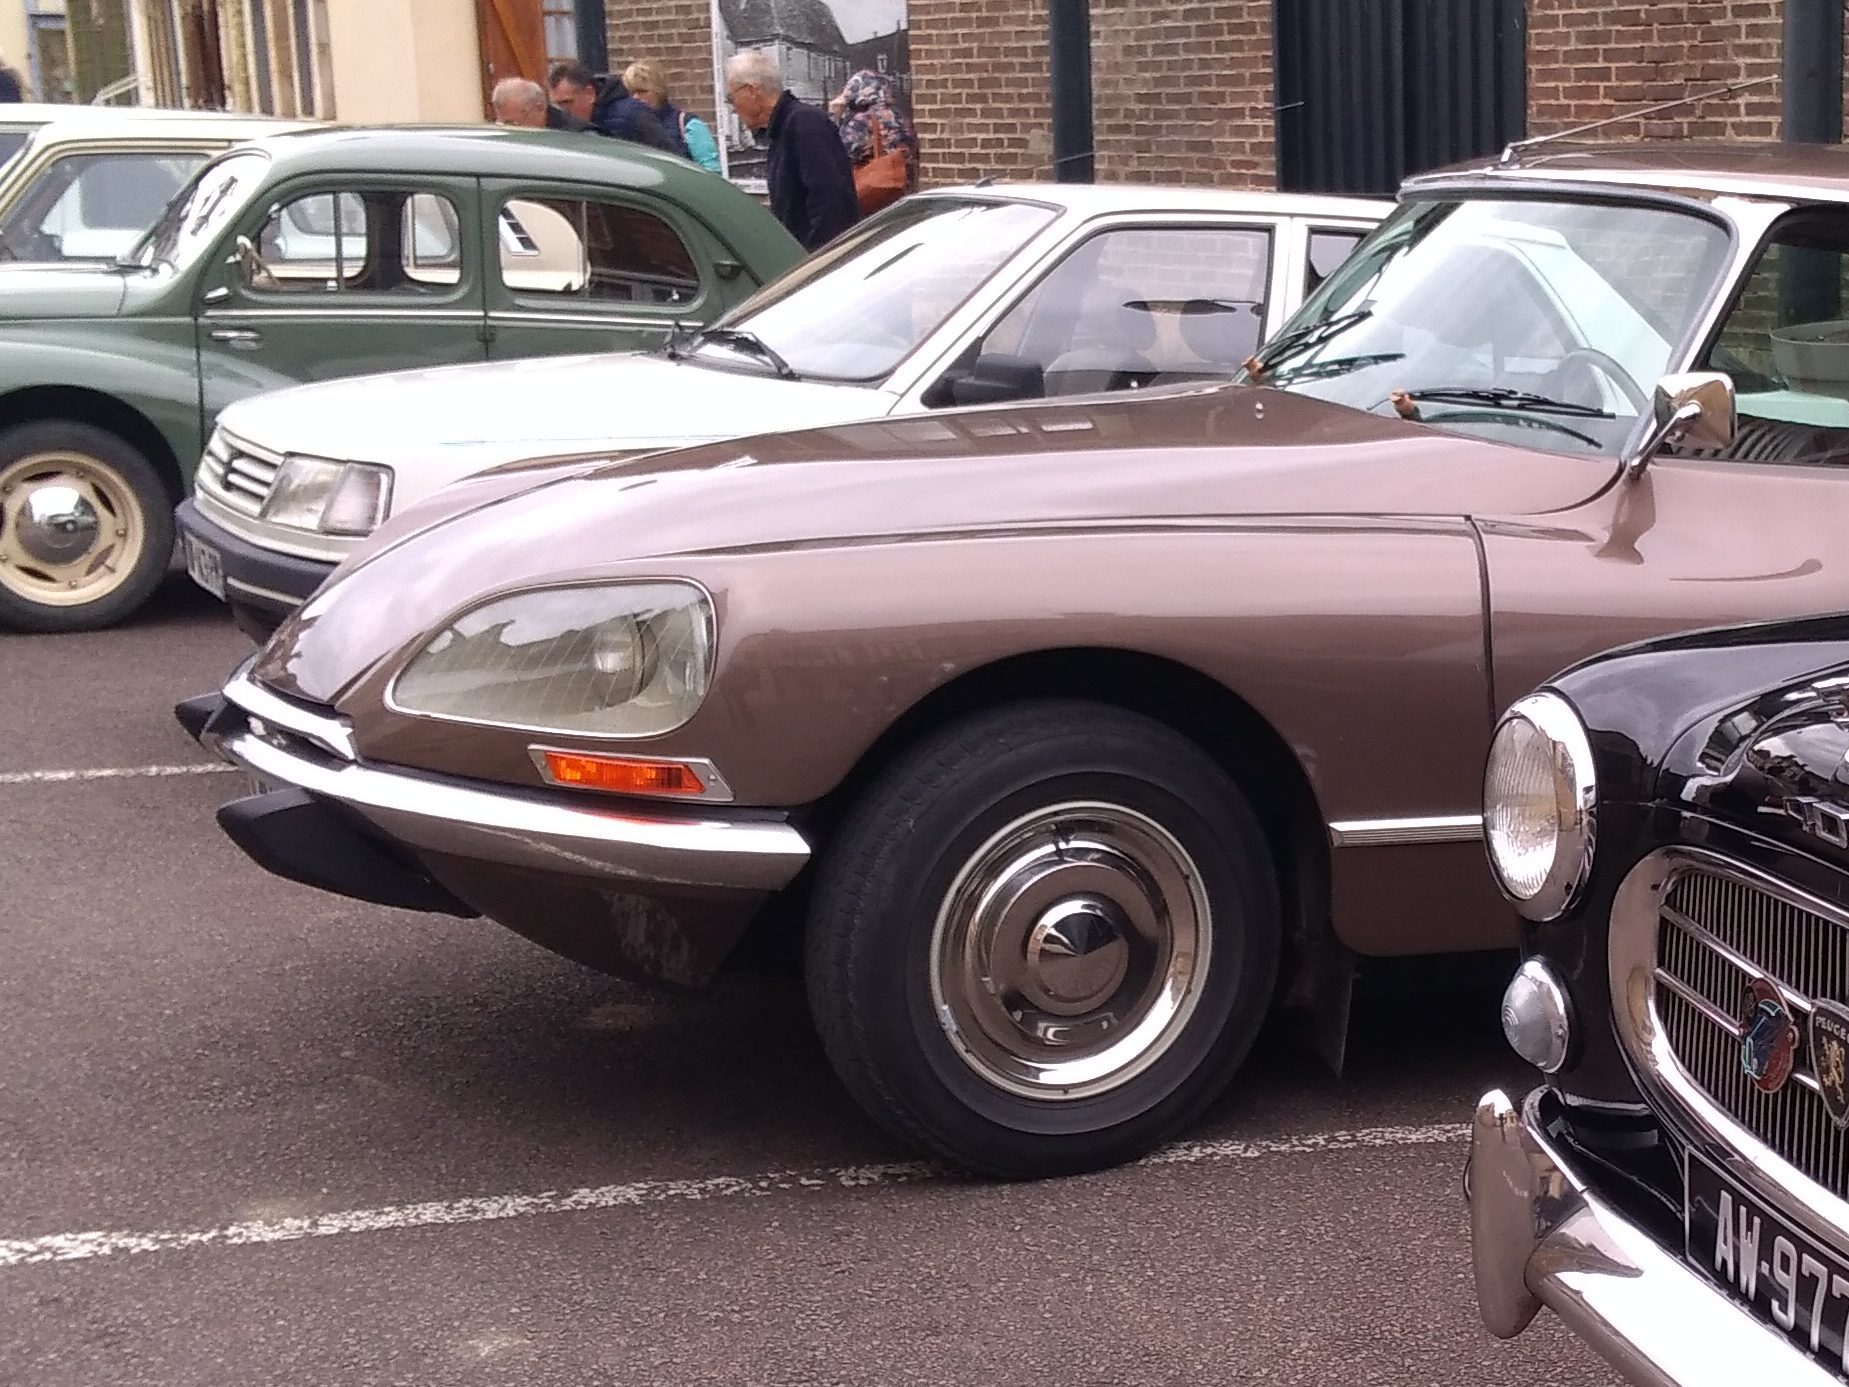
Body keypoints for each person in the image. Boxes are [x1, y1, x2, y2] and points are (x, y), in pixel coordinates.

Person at [724, 50, 856, 251]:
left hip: (823, 259)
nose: (733, 108)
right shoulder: (784, 128)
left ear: (751, 91)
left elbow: (832, 202)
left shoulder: (804, 124)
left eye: (731, 98)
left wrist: (815, 260)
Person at [830, 69, 918, 208]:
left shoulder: (861, 121)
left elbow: (838, 153)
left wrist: (835, 116)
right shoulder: (900, 117)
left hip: (876, 193)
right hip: (904, 190)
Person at [548, 59, 677, 153]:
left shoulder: (631, 117)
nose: (563, 111)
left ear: (589, 94)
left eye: (567, 102)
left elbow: (669, 156)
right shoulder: (563, 126)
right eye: (557, 104)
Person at [623, 59, 722, 174]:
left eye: (642, 91)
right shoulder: (626, 125)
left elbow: (711, 171)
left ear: (658, 91)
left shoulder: (687, 124)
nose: (635, 97)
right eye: (631, 92)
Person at [490, 76, 587, 132]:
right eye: (501, 124)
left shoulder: (578, 135)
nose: (508, 130)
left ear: (540, 108)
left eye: (513, 124)